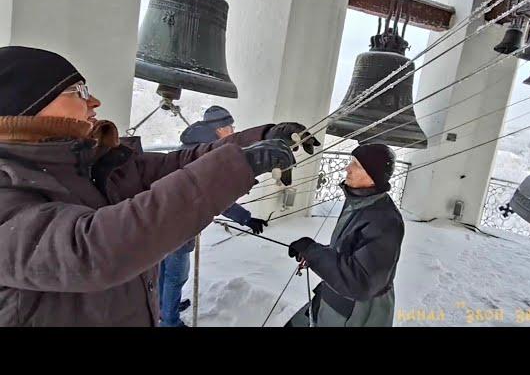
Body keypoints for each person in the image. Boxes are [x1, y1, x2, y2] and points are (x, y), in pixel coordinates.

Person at [0, 46, 317, 327]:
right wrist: (238, 166)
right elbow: (93, 250)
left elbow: (177, 165)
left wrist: (257, 140)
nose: (94, 101)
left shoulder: (93, 162)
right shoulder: (7, 186)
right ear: (29, 103)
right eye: (78, 91)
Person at [158, 106, 269, 327]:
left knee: (163, 268)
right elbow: (214, 194)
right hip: (179, 224)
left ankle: (164, 306)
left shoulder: (192, 147)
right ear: (220, 129)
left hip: (164, 218)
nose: (233, 131)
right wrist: (245, 218)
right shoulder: (208, 154)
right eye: (231, 127)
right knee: (176, 275)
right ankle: (169, 321)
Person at [285, 143, 404, 327]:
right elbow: (349, 253)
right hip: (335, 300)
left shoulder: (385, 221)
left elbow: (360, 281)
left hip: (357, 314)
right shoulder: (360, 202)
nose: (347, 168)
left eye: (356, 165)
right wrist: (313, 253)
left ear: (372, 176)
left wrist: (314, 252)